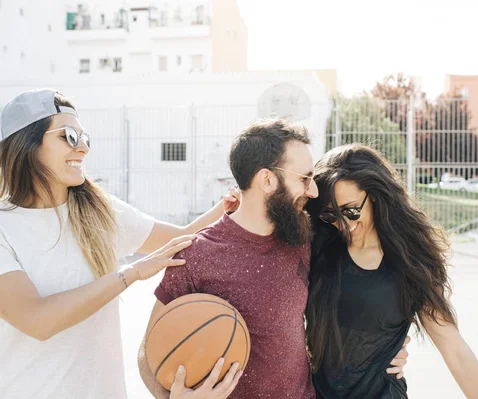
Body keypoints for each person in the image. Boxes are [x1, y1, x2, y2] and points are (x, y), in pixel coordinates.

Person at [138, 120, 410, 399]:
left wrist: (386, 347)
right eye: (303, 178)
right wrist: (172, 397)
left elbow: (359, 289)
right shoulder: (197, 255)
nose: (313, 191)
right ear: (267, 180)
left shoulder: (304, 238)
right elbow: (149, 355)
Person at [0, 89, 239, 399]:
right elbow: (37, 320)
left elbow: (182, 239)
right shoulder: (5, 227)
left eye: (86, 138)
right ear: (26, 146)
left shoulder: (99, 209)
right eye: (70, 136)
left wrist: (229, 205)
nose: (83, 148)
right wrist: (129, 274)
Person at [304, 143, 478, 398]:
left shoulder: (410, 261)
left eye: (351, 210)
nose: (344, 223)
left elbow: (453, 347)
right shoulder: (316, 246)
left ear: (377, 196)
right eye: (331, 214)